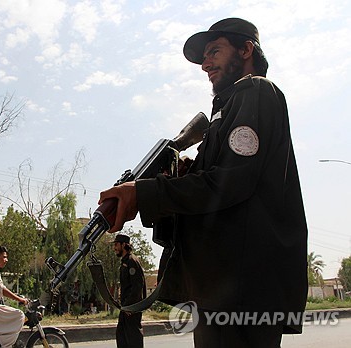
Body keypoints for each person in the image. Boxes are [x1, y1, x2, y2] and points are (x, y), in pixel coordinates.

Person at [99, 18, 308, 348]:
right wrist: (171, 182)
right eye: (203, 57)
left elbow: (228, 184)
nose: (205, 64)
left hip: (241, 291)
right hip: (224, 290)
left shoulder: (255, 92)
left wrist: (144, 193)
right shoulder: (228, 109)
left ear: (246, 49)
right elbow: (210, 195)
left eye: (214, 51)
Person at [112, 233, 146, 348]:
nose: (114, 248)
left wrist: (130, 306)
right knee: (122, 337)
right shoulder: (125, 262)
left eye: (116, 244)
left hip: (132, 308)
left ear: (124, 245)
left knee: (133, 339)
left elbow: (137, 286)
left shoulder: (132, 261)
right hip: (126, 307)